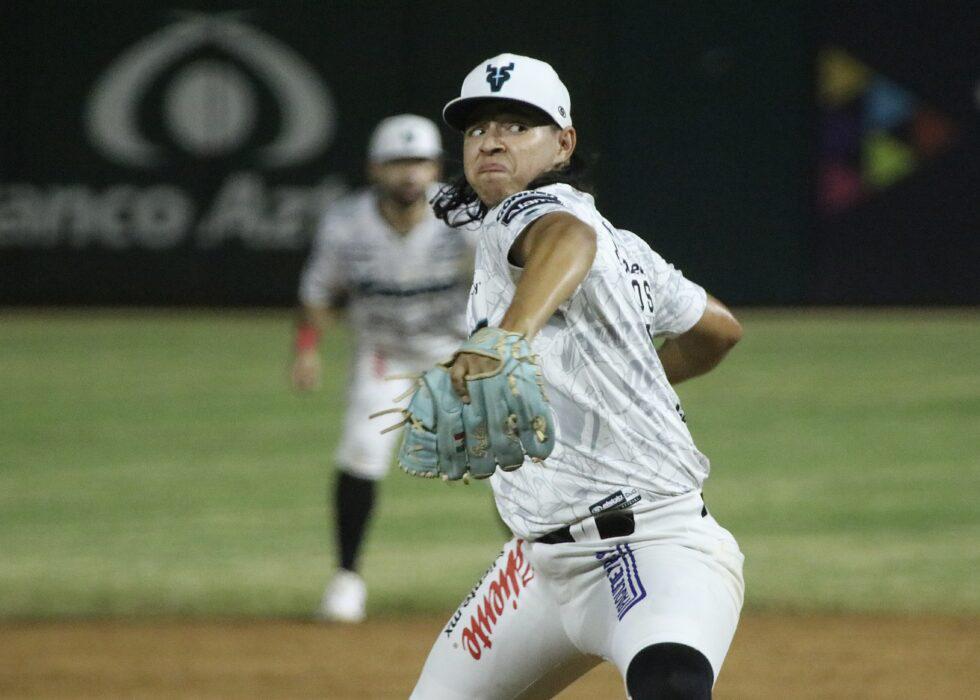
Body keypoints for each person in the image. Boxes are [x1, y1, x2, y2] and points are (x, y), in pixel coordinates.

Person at [409, 54, 745, 698]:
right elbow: (719, 331)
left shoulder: (530, 213)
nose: (492, 141)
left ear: (564, 142)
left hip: (655, 548)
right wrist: (625, 394)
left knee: (670, 686)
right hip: (534, 568)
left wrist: (506, 336)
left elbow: (565, 240)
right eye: (477, 130)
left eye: (516, 125)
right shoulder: (628, 245)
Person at [293, 114, 474, 623]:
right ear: (376, 168)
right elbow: (317, 293)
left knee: (512, 454)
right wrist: (307, 348)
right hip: (384, 354)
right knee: (360, 454)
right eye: (397, 163)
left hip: (454, 351)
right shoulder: (346, 223)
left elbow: (504, 275)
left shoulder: (461, 215)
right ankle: (346, 580)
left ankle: (536, 575)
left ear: (435, 166)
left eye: (418, 162)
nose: (409, 174)